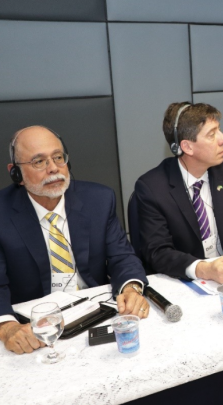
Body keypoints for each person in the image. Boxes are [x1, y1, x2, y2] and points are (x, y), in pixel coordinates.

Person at [0, 126, 149, 354]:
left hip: (96, 314)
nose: (53, 169)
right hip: (34, 329)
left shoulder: (98, 199)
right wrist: (7, 327)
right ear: (15, 173)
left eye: (58, 158)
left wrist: (130, 288)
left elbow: (122, 256)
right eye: (38, 162)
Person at [134, 102, 223, 284]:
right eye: (212, 134)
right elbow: (158, 252)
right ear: (187, 147)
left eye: (219, 130)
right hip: (184, 281)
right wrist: (203, 269)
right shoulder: (152, 188)